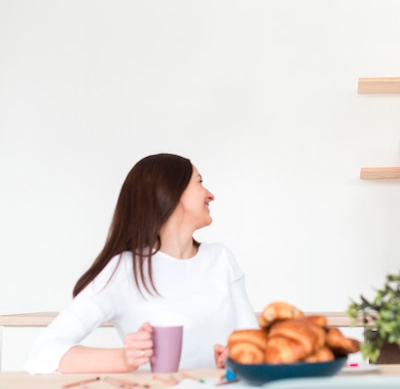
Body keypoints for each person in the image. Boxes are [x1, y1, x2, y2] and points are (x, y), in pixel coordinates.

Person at [24, 153, 258, 374]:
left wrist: (239, 357)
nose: (210, 194)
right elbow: (42, 353)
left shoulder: (221, 258)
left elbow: (253, 343)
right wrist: (124, 359)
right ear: (171, 193)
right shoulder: (124, 270)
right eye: (199, 182)